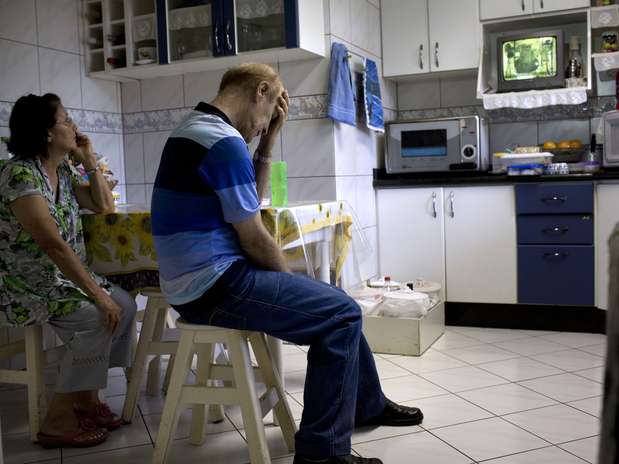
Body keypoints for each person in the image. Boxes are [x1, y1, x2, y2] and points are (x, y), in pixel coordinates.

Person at [151, 63, 422, 464]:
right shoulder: (220, 142)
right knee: (342, 314)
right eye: (271, 112)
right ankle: (322, 455)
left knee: (333, 300)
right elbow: (255, 237)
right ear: (261, 91)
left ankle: (368, 403)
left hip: (197, 282)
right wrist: (296, 287)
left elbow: (249, 206)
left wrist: (268, 142)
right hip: (214, 286)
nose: (265, 125)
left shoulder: (196, 130)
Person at [0, 94, 137, 448]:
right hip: (27, 284)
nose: (74, 125)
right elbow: (53, 245)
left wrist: (87, 159)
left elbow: (104, 204)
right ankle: (58, 418)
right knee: (97, 314)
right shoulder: (19, 174)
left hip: (59, 280)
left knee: (125, 304)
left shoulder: (60, 170)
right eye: (66, 120)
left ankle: (86, 400)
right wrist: (97, 294)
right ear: (47, 133)